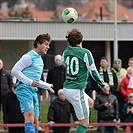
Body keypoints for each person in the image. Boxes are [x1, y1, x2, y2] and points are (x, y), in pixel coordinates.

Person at [62, 28, 107, 133]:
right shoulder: (85, 52)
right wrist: (102, 83)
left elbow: (64, 62)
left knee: (90, 102)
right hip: (77, 89)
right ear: (81, 41)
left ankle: (81, 117)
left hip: (67, 87)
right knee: (85, 123)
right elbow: (93, 71)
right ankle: (82, 121)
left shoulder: (67, 51)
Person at [11, 34, 55, 133]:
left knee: (36, 121)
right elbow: (15, 71)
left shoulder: (40, 59)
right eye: (46, 44)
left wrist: (47, 86)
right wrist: (29, 82)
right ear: (38, 44)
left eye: (49, 45)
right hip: (24, 88)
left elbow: (36, 80)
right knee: (29, 115)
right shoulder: (28, 57)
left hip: (33, 90)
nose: (48, 47)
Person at [0, 59, 13, 129]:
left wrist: (10, 93)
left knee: (6, 112)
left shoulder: (7, 74)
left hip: (5, 96)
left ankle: (6, 126)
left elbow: (10, 84)